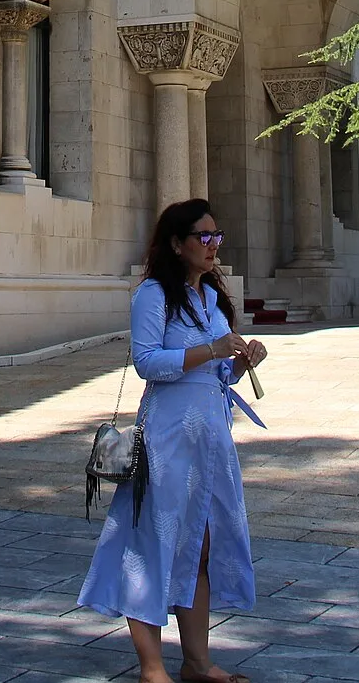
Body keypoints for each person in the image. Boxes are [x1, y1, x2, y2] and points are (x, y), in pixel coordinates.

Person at [79, 199, 269, 683]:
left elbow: (219, 371)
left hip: (210, 439)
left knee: (199, 547)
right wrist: (208, 349)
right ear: (176, 243)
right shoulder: (153, 295)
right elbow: (147, 362)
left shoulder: (209, 299)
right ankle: (151, 667)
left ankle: (197, 662)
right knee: (151, 542)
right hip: (166, 439)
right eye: (202, 237)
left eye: (216, 235)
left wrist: (243, 361)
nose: (212, 246)